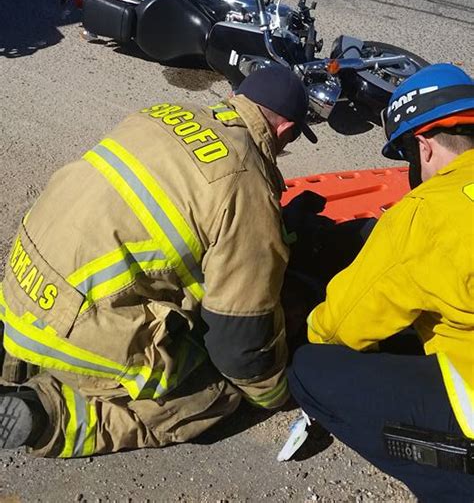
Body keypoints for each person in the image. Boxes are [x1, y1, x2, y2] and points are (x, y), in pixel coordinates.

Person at [0, 65, 318, 458]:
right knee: (211, 391)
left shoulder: (161, 112)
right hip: (75, 320)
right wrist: (274, 392)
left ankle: (15, 361)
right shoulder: (245, 184)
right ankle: (48, 412)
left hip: (22, 278)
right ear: (285, 130)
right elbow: (238, 342)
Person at [288, 63, 474, 503]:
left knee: (310, 370)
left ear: (424, 147)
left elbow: (340, 327)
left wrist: (302, 333)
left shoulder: (428, 212)